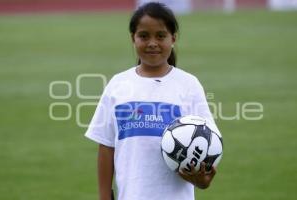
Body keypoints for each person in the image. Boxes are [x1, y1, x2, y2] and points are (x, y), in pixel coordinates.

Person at [85, 2, 220, 200]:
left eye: (160, 36)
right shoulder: (118, 84)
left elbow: (208, 142)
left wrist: (202, 179)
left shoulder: (188, 85)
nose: (152, 43)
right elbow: (106, 147)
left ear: (173, 38)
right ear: (133, 38)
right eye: (144, 36)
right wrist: (104, 197)